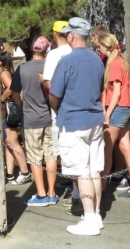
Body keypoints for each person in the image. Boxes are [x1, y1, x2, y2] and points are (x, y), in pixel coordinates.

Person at [48, 17, 106, 236]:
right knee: (94, 170)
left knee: (81, 173)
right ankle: (96, 214)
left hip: (73, 121)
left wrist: (59, 110)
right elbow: (100, 88)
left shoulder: (67, 61)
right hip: (95, 120)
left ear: (72, 36)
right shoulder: (97, 60)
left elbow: (54, 95)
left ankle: (89, 219)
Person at [11, 35, 58, 206]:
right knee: (51, 155)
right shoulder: (51, 67)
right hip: (50, 117)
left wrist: (23, 107)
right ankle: (52, 192)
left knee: (35, 158)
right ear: (46, 50)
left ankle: (41, 194)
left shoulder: (22, 68)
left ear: (32, 49)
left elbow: (15, 94)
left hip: (31, 118)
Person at [96, 31, 130, 197]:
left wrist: (107, 114)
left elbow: (116, 93)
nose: (98, 50)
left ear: (106, 46)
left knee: (106, 149)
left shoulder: (114, 63)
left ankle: (101, 188)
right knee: (125, 147)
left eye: (99, 47)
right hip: (125, 107)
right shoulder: (121, 61)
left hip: (117, 109)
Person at [41, 20, 80, 214]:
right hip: (79, 107)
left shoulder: (54, 54)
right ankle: (76, 189)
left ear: (55, 34)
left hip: (61, 109)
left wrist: (43, 81)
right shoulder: (77, 51)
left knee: (65, 151)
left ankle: (76, 193)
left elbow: (49, 84)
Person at [0, 51, 31, 184]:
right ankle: (10, 173)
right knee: (8, 143)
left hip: (7, 112)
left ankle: (25, 172)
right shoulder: (5, 72)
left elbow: (11, 86)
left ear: (0, 62)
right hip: (6, 112)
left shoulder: (3, 73)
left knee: (13, 143)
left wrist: (1, 98)